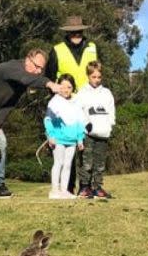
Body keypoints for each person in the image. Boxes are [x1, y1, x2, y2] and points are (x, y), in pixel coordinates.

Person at [0, 49, 60, 197]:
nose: (39, 71)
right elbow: (26, 79)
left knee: (2, 143)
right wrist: (49, 83)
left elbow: (10, 103)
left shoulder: (22, 80)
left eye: (41, 69)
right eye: (36, 66)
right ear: (28, 60)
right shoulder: (14, 69)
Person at [45, 16, 98, 193]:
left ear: (83, 31)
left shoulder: (92, 48)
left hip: (86, 101)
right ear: (67, 33)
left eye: (79, 31)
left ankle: (87, 187)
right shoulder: (57, 50)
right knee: (66, 148)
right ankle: (65, 187)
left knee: (86, 145)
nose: (76, 34)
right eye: (72, 32)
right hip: (64, 101)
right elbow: (50, 77)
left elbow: (97, 71)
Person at [75, 60, 116, 199]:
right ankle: (84, 188)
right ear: (88, 76)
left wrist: (110, 126)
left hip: (103, 133)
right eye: (93, 77)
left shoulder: (106, 93)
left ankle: (97, 187)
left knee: (100, 163)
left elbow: (111, 111)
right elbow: (79, 111)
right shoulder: (82, 92)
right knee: (86, 162)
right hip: (88, 134)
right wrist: (85, 125)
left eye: (99, 77)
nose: (96, 80)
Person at [44, 74, 86, 199]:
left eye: (69, 87)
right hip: (58, 139)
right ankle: (54, 190)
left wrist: (80, 138)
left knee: (68, 165)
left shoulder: (77, 102)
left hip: (72, 140)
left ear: (73, 88)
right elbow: (47, 120)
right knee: (58, 163)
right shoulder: (54, 101)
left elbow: (80, 121)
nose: (65, 90)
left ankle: (64, 190)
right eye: (62, 86)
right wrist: (50, 135)